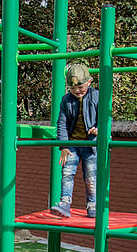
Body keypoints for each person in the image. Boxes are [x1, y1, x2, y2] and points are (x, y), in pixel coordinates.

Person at [50, 63, 99, 218]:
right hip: (72, 144)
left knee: (91, 176)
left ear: (89, 82)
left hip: (90, 144)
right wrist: (64, 146)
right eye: (73, 88)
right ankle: (65, 203)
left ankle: (92, 205)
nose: (77, 91)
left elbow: (104, 118)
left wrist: (98, 129)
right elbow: (62, 123)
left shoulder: (96, 96)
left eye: (80, 87)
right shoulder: (66, 100)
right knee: (67, 172)